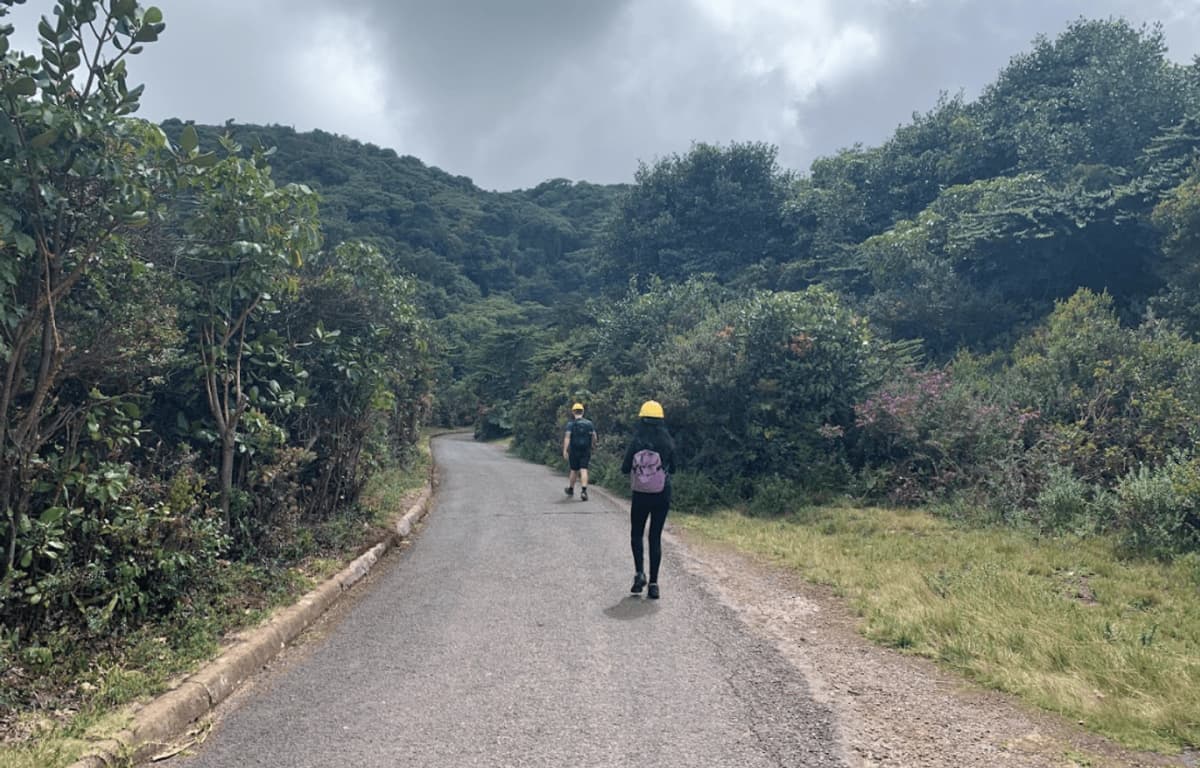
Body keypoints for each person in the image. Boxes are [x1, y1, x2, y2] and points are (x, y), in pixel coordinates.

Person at [620, 400, 675, 600]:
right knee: (655, 537)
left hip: (641, 494)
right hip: (662, 494)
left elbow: (625, 468)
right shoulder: (668, 441)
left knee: (636, 533)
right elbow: (675, 468)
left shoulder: (636, 441)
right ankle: (654, 585)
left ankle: (639, 574)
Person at [562, 402, 596, 501]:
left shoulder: (571, 424)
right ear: (583, 412)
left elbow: (567, 437)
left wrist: (565, 450)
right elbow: (594, 436)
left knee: (574, 470)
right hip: (586, 450)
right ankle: (584, 491)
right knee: (584, 469)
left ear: (573, 412)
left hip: (574, 450)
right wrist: (593, 445)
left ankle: (571, 489)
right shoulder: (589, 423)